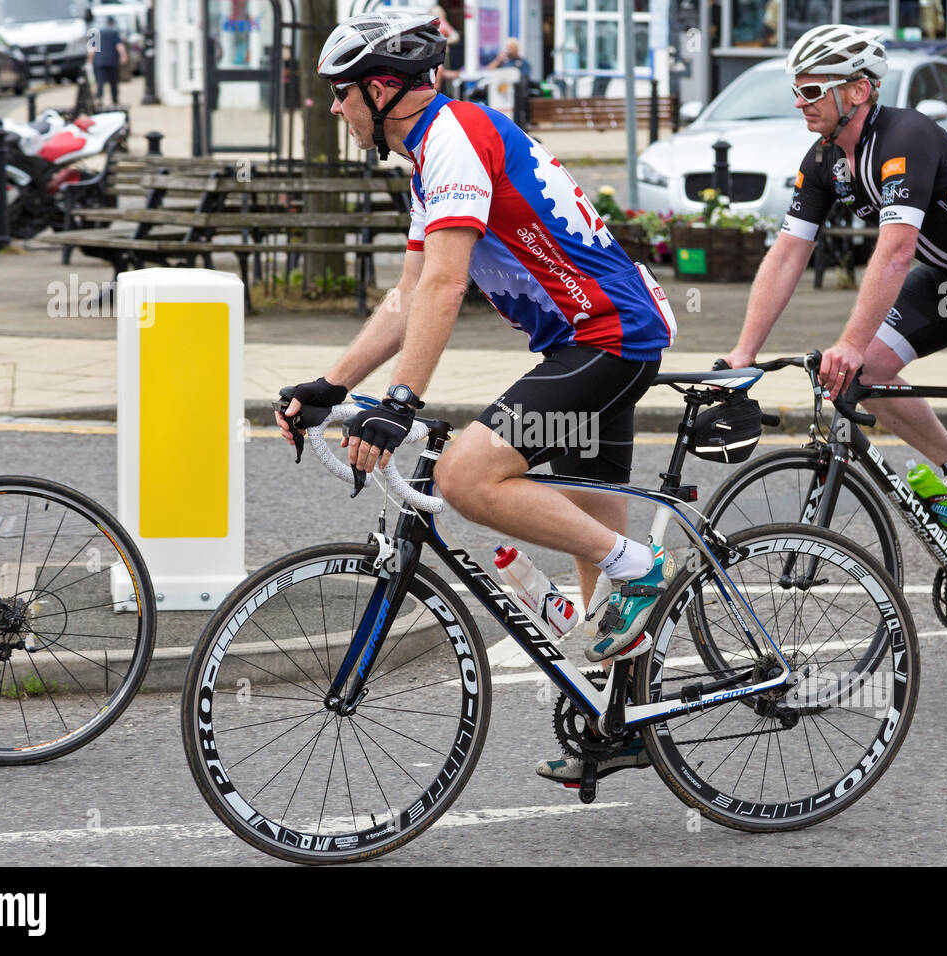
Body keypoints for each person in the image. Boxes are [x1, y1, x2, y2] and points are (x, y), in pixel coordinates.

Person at [278, 12, 678, 781]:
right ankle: (622, 719)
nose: (335, 109)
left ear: (383, 87)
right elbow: (406, 300)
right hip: (588, 340)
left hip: (608, 336)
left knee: (466, 476)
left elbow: (446, 284)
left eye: (342, 93)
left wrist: (398, 402)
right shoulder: (432, 155)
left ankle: (645, 568)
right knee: (590, 528)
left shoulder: (453, 138)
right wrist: (334, 386)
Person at [723, 23, 947, 665]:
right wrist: (742, 354)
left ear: (858, 89)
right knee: (866, 379)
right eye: (795, 90)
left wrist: (850, 340)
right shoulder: (825, 160)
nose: (800, 101)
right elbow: (788, 254)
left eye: (812, 90)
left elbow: (896, 252)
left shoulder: (903, 137)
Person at [87, 15, 127, 106]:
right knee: (114, 82)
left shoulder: (96, 32)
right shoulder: (115, 32)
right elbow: (119, 46)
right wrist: (123, 56)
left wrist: (89, 60)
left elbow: (92, 49)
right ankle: (115, 100)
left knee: (100, 82)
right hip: (112, 61)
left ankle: (99, 99)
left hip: (99, 62)